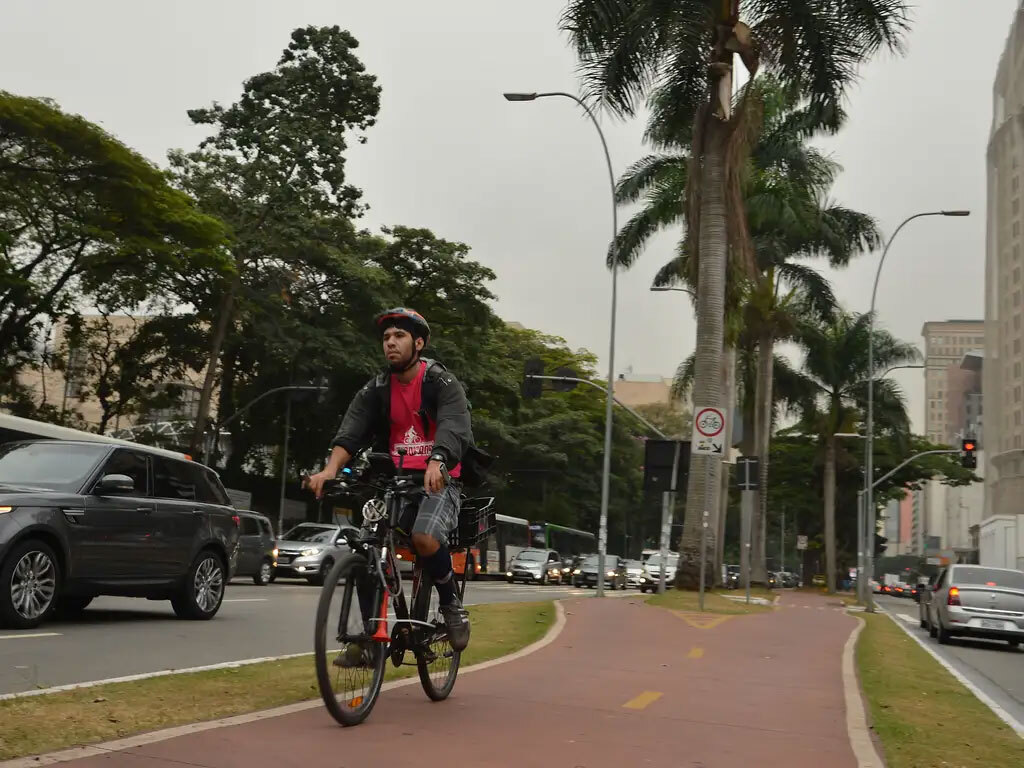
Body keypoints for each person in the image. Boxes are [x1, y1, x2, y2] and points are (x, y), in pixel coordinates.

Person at [307, 307, 472, 655]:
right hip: (393, 480)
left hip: (440, 480)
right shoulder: (377, 388)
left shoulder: (441, 382)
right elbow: (351, 431)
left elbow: (454, 425)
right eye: (386, 338)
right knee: (369, 549)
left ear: (419, 343)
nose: (391, 344)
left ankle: (451, 605)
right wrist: (329, 469)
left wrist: (438, 459)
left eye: (399, 336)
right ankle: (369, 641)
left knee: (424, 538)